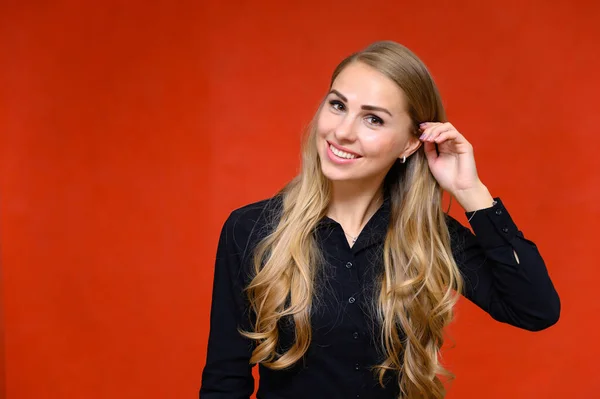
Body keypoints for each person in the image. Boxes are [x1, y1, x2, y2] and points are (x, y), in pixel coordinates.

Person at [199, 41, 560, 399]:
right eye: (338, 105)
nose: (343, 131)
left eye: (373, 119)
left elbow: (534, 309)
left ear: (409, 144)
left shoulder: (429, 236)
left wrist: (471, 191)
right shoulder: (252, 229)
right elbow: (224, 380)